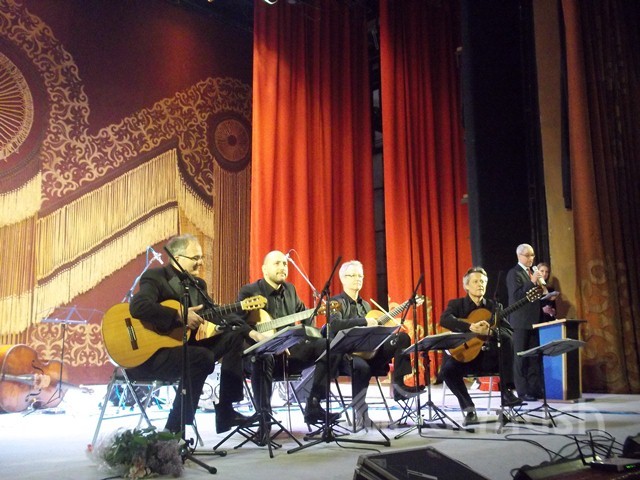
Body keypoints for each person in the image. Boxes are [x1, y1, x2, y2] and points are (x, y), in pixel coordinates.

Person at [127, 233, 258, 435]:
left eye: (201, 257)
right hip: (152, 355)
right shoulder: (156, 277)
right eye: (195, 258)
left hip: (186, 349)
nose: (201, 263)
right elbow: (138, 306)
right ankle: (174, 428)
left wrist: (242, 321)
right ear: (178, 258)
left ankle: (226, 410)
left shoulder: (198, 285)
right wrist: (178, 315)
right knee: (201, 357)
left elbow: (214, 314)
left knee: (234, 335)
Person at [232, 250, 341, 428]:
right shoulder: (250, 291)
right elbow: (237, 323)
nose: (282, 267)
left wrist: (306, 334)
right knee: (263, 356)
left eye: (285, 264)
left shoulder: (290, 289)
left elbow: (305, 314)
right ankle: (264, 417)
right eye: (277, 263)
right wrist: (258, 337)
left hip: (289, 353)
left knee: (330, 346)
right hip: (258, 355)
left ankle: (314, 404)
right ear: (264, 269)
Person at [328, 260, 415, 429]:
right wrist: (364, 322)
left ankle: (398, 387)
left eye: (360, 276)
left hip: (370, 352)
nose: (357, 279)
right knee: (362, 367)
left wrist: (386, 328)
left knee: (402, 338)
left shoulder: (366, 305)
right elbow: (335, 325)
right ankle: (360, 411)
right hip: (347, 356)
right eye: (352, 275)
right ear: (342, 278)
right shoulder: (335, 302)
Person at [439, 267, 522, 426]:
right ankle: (469, 409)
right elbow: (445, 320)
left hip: (488, 358)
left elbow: (508, 330)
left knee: (506, 339)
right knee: (447, 371)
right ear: (466, 286)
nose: (480, 284)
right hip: (465, 357)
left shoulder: (494, 306)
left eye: (483, 281)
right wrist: (469, 326)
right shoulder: (456, 304)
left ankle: (507, 391)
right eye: (476, 281)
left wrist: (491, 331)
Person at [506, 243, 546, 401]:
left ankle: (535, 389)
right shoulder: (514, 273)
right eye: (527, 255)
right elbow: (516, 296)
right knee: (521, 357)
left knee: (534, 356)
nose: (531, 258)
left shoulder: (532, 272)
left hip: (534, 320)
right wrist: (532, 281)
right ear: (519, 256)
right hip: (520, 322)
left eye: (532, 255)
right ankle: (523, 392)